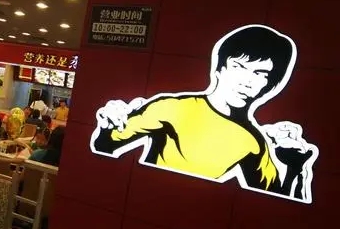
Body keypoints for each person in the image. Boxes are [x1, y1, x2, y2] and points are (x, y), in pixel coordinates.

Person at [91, 25, 319, 203]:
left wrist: (297, 167)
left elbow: (275, 203)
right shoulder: (173, 108)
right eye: (239, 66)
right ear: (220, 68)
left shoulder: (254, 142)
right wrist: (108, 123)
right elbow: (105, 145)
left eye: (260, 73)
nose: (247, 81)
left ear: (269, 84)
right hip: (141, 202)